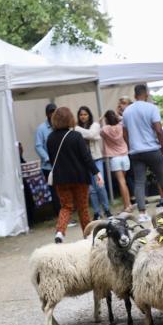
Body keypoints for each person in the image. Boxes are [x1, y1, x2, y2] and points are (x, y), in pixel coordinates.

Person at [122, 84, 163, 222]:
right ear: (146, 94)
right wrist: (162, 146)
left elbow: (124, 133)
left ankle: (142, 213)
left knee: (139, 182)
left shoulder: (127, 111)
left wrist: (130, 147)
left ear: (134, 95)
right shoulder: (152, 108)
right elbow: (158, 129)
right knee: (162, 178)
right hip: (152, 149)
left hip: (136, 152)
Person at [47, 107, 98, 242]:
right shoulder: (76, 136)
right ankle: (88, 236)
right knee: (83, 208)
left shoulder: (50, 138)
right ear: (70, 119)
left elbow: (53, 160)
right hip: (80, 177)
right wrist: (96, 172)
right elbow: (86, 157)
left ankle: (60, 232)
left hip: (61, 179)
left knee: (66, 207)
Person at [75, 106, 111, 220]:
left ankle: (107, 210)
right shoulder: (78, 128)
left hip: (96, 159)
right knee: (91, 190)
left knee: (100, 185)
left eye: (85, 114)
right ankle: (96, 212)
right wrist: (91, 134)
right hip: (84, 162)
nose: (83, 117)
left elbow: (91, 135)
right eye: (81, 115)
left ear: (89, 115)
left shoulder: (95, 125)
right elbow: (91, 135)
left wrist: (76, 128)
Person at [100, 109, 133, 212]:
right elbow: (124, 119)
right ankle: (128, 204)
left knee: (121, 182)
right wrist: (118, 116)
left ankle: (127, 206)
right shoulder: (121, 126)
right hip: (125, 156)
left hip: (115, 158)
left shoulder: (104, 130)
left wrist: (100, 118)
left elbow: (96, 127)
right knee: (124, 181)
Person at [35, 103, 61, 213]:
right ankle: (60, 214)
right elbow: (38, 146)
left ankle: (65, 214)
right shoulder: (41, 129)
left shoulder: (60, 125)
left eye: (55, 111)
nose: (53, 113)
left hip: (61, 165)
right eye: (51, 111)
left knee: (63, 190)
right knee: (55, 191)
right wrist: (47, 158)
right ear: (47, 114)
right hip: (49, 167)